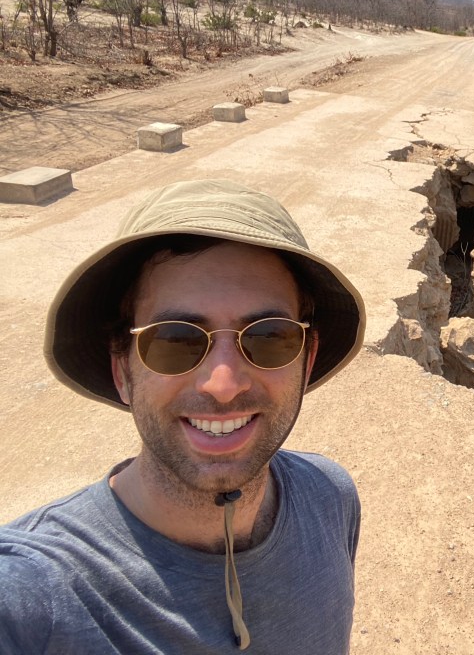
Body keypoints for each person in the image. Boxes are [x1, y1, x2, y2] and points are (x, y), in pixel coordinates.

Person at [0, 180, 366, 653]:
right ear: (122, 370)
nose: (224, 383)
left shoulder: (330, 498)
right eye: (174, 340)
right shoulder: (34, 595)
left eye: (270, 336)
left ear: (307, 358)